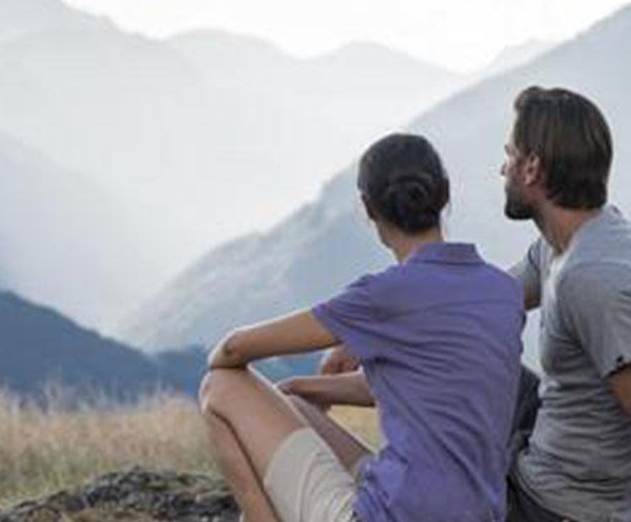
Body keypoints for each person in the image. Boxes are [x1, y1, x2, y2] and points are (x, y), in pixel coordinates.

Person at [199, 133, 525, 522]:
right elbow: (426, 383)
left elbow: (234, 350)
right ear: (445, 195)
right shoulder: (504, 293)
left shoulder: (382, 296)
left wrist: (225, 358)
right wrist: (303, 388)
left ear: (369, 208)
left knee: (220, 385)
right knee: (296, 404)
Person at [500, 86, 631, 522]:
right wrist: (370, 336)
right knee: (465, 349)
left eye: (509, 154)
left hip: (565, 509)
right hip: (551, 439)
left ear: (531, 167)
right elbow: (486, 303)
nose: (502, 168)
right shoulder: (564, 241)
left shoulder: (594, 276)